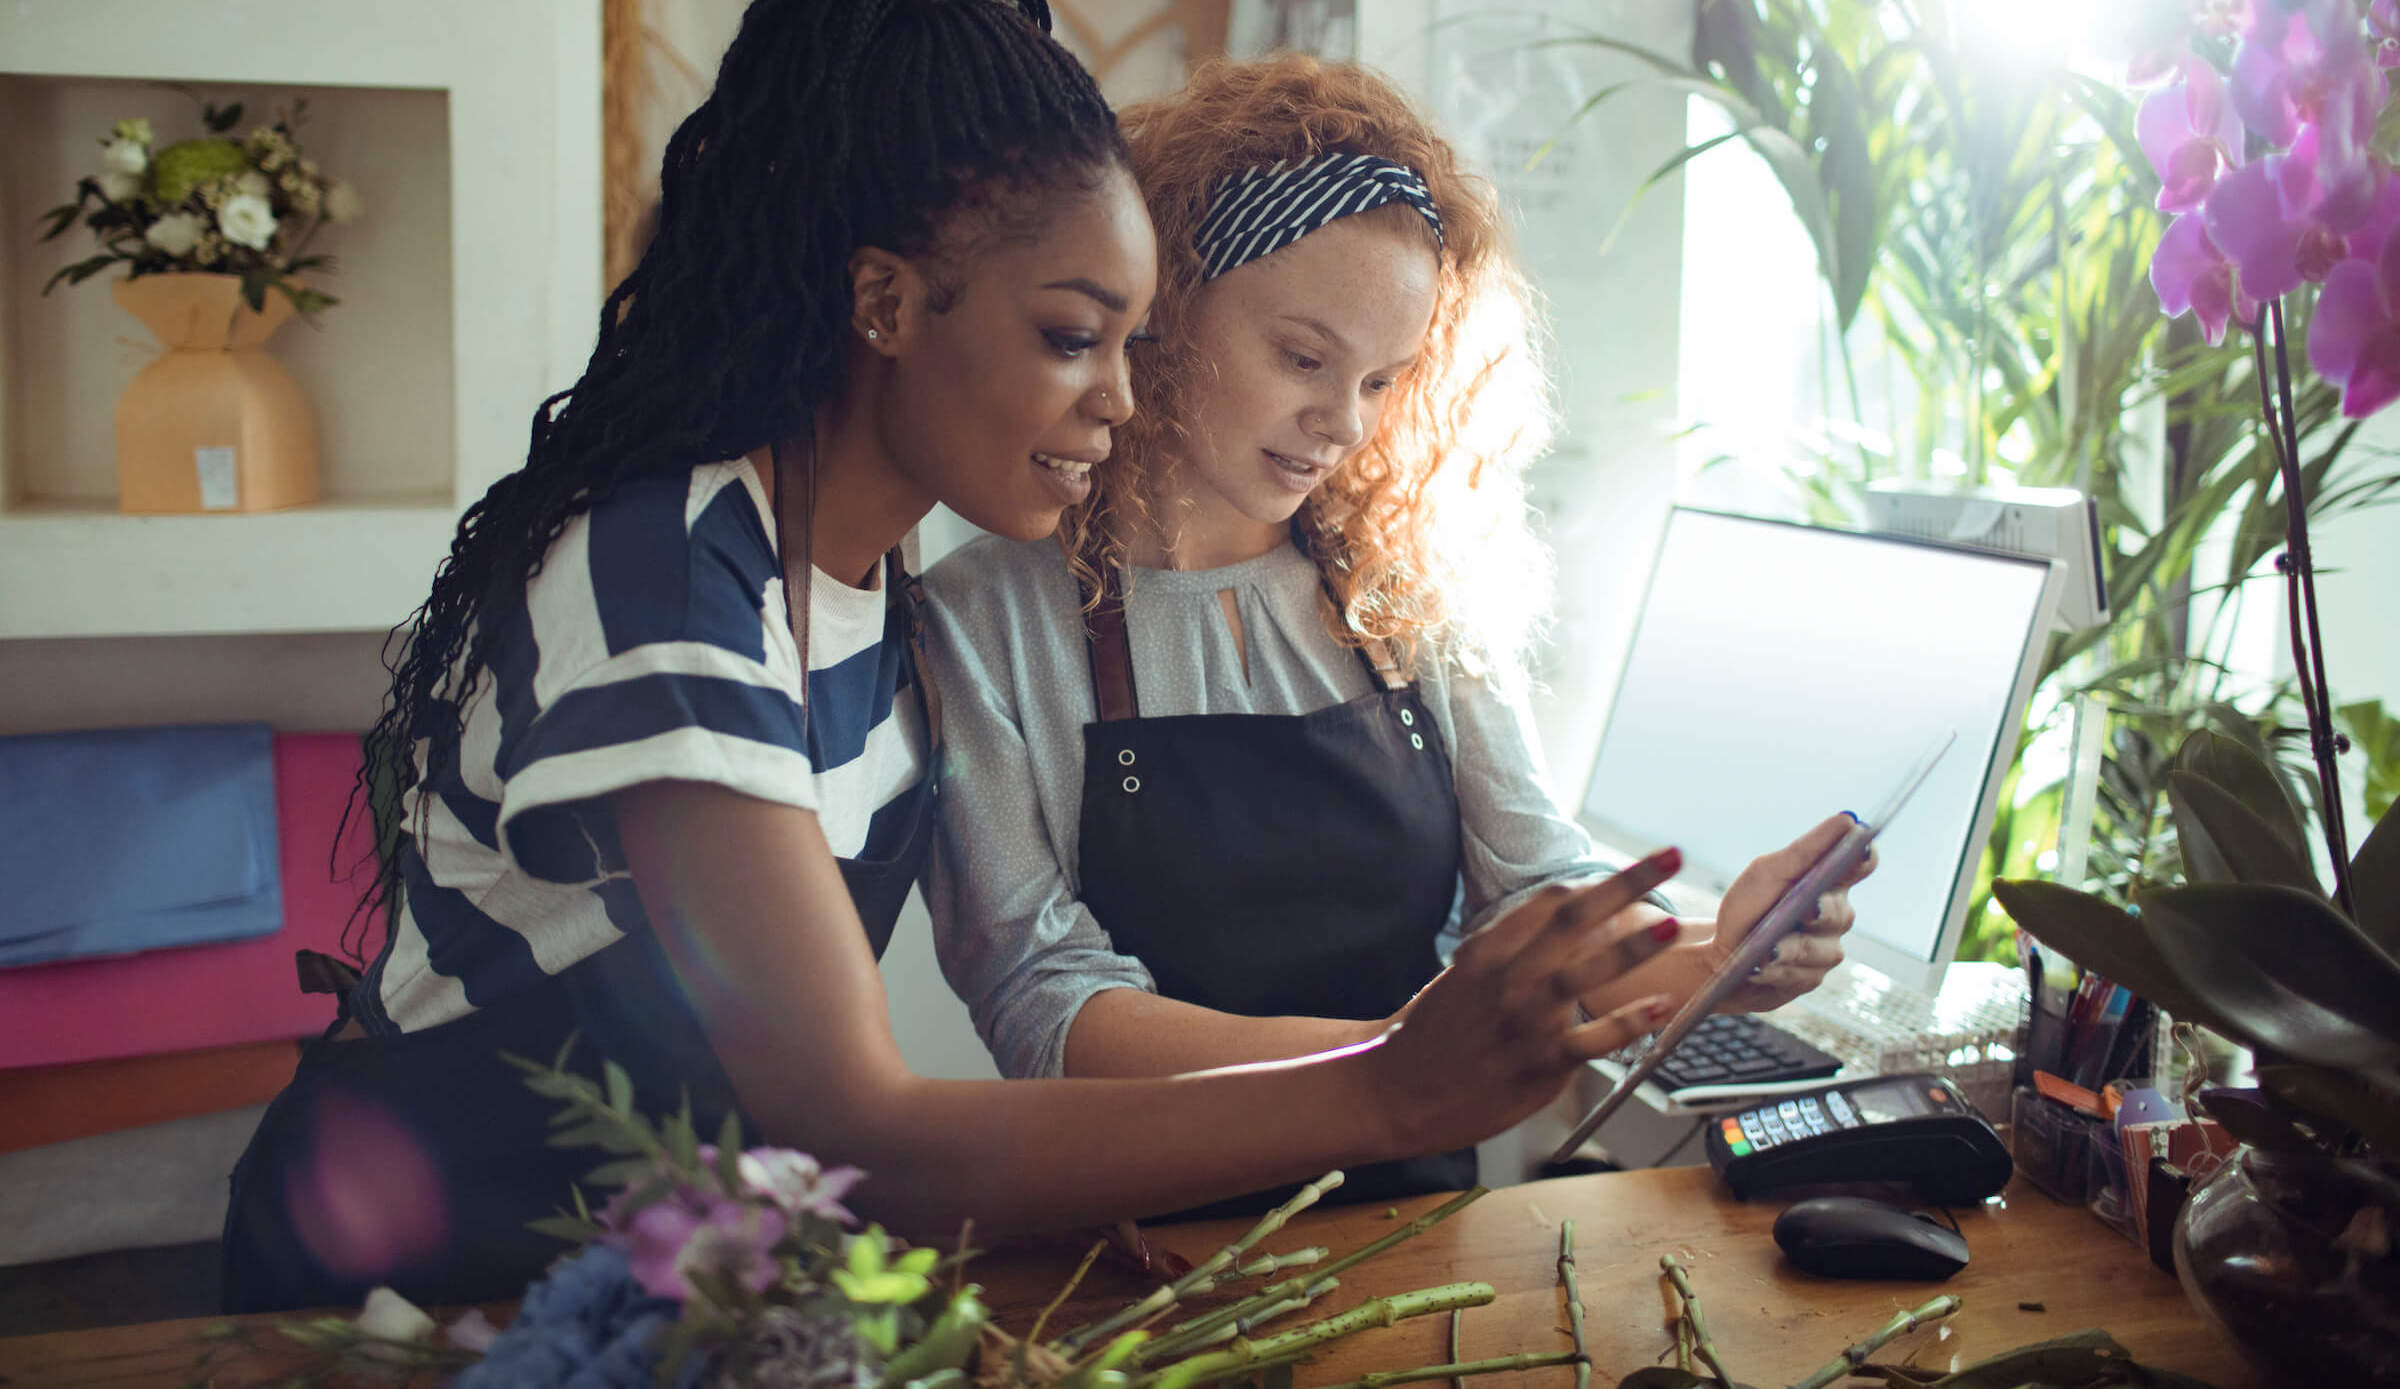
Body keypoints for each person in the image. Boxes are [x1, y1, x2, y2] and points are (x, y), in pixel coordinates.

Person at [222, 1, 1715, 1314]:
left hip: (678, 1278)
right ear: (883, 302)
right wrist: (1394, 1080)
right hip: (415, 1287)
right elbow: (858, 1128)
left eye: (1133, 344)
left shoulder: (868, 585)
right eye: (1074, 337)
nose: (1123, 402)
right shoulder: (664, 579)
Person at [920, 55, 1875, 1215]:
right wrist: (1389, 1067)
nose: (1343, 422)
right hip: (1135, 1256)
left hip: (1420, 1239)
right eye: (1303, 357)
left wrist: (1724, 953)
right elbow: (1047, 1003)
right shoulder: (982, 614)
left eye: (1384, 379)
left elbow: (1536, 899)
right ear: (1165, 308)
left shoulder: (1406, 590)